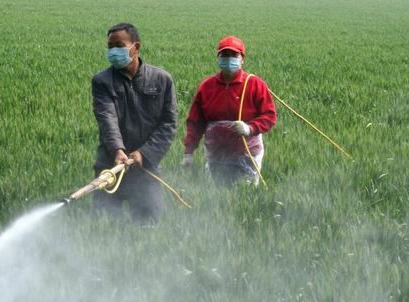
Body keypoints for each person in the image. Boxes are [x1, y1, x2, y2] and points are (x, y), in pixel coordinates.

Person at [91, 22, 177, 223]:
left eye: (118, 45)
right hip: (110, 165)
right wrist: (117, 150)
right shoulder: (102, 81)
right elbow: (107, 118)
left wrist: (144, 153)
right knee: (106, 226)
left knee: (148, 227)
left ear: (135, 47)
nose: (113, 51)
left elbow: (169, 124)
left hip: (146, 168)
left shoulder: (161, 80)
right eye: (110, 47)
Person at [182, 36, 276, 185]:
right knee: (216, 194)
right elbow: (195, 122)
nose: (229, 59)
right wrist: (189, 152)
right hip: (216, 154)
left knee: (245, 194)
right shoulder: (207, 87)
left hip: (247, 153)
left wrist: (250, 128)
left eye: (234, 55)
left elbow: (269, 116)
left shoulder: (255, 84)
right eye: (225, 55)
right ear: (218, 58)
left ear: (242, 59)